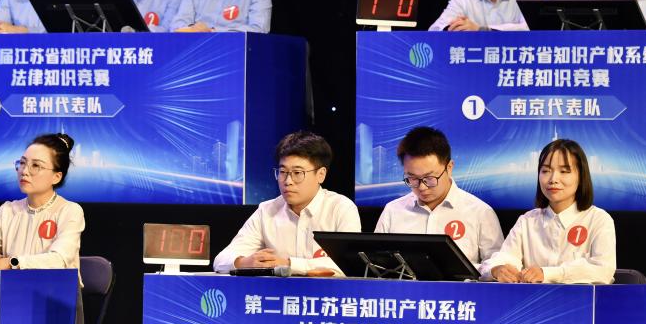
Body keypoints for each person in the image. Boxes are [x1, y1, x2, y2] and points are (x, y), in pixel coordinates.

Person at [212, 131, 359, 274]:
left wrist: (288, 264)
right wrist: (244, 263)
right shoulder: (266, 211)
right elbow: (221, 260)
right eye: (282, 172)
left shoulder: (341, 208)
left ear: (321, 174)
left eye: (297, 173)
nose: (288, 181)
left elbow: (348, 265)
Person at [482, 139, 616, 284]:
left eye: (564, 171)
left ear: (581, 176)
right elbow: (504, 257)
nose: (553, 179)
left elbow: (603, 271)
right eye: (545, 171)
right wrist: (497, 269)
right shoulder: (527, 221)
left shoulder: (598, 220)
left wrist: (546, 273)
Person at [374, 126, 503, 269]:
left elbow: (498, 266)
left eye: (429, 178)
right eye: (412, 178)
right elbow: (376, 263)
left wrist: (492, 269)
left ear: (449, 167)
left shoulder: (480, 213)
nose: (422, 187)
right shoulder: (393, 211)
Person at [0, 133, 85, 274]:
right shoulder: (8, 210)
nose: (24, 171)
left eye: (36, 165)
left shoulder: (69, 211)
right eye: (22, 163)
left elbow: (59, 260)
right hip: (11, 286)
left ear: (56, 177)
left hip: (55, 287)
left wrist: (11, 263)